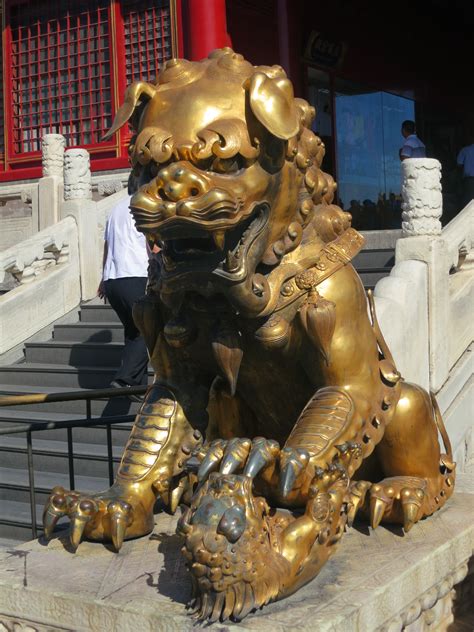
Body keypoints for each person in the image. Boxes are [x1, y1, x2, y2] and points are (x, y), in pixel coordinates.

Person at [98, 193, 150, 400]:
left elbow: (107, 245)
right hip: (135, 274)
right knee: (147, 328)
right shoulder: (144, 204)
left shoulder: (115, 209)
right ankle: (125, 379)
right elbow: (151, 241)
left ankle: (139, 389)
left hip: (113, 280)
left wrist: (103, 278)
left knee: (133, 331)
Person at [457, 140, 474, 208]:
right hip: (469, 179)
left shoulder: (465, 150)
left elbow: (459, 164)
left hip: (469, 180)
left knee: (468, 201)